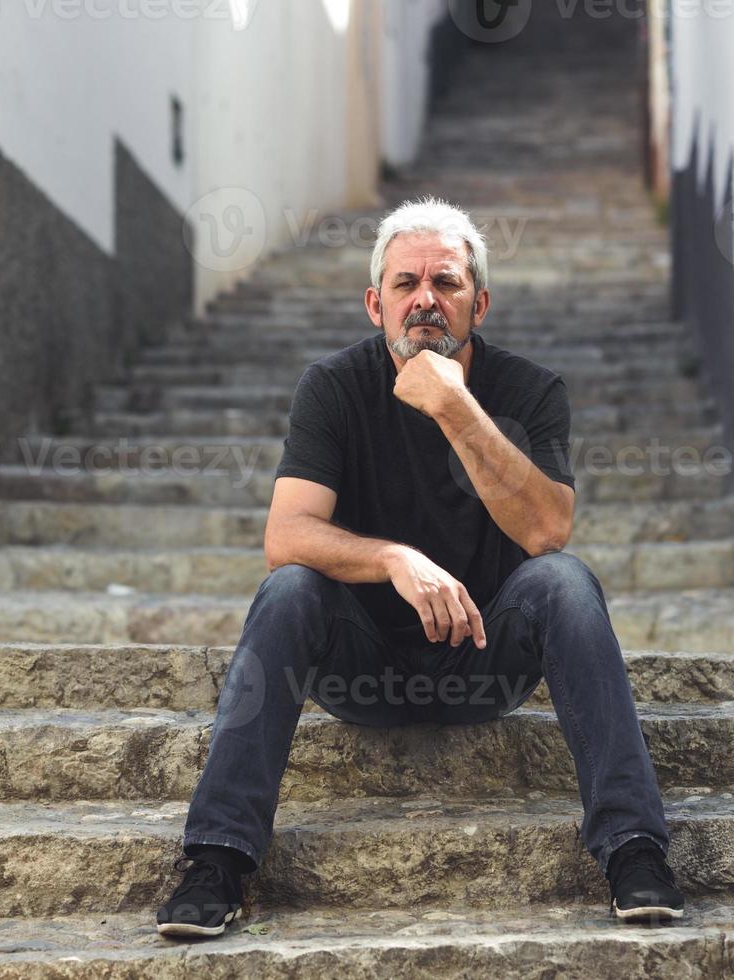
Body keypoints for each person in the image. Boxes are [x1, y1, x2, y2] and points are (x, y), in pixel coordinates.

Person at [155, 196, 684, 939]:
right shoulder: (334, 387)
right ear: (375, 304)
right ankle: (217, 859)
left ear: (480, 303)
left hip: (483, 661)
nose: (425, 300)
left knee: (564, 583)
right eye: (405, 285)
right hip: (358, 665)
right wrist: (394, 559)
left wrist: (455, 407)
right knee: (287, 589)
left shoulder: (529, 392)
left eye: (446, 283)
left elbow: (545, 530)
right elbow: (286, 534)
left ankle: (633, 848)